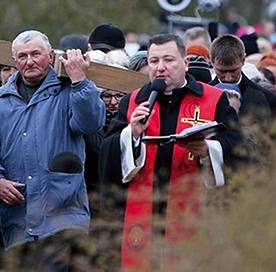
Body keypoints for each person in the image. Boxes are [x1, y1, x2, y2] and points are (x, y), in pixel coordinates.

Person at [99, 33, 241, 270]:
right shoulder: (134, 101)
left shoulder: (213, 99)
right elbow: (107, 152)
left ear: (185, 63)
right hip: (143, 212)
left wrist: (208, 150)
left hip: (192, 209)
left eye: (169, 60)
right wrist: (131, 134)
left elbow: (238, 147)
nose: (160, 68)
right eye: (154, 61)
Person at [0, 30, 105, 271]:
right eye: (22, 56)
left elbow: (91, 123)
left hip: (61, 213)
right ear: (14, 62)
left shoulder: (69, 91)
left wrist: (80, 81)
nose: (29, 61)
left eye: (36, 54)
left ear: (50, 56)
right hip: (18, 217)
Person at [209, 34, 276, 162]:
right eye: (222, 71)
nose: (228, 78)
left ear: (243, 61)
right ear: (211, 61)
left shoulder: (268, 98)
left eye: (233, 70)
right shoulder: (202, 96)